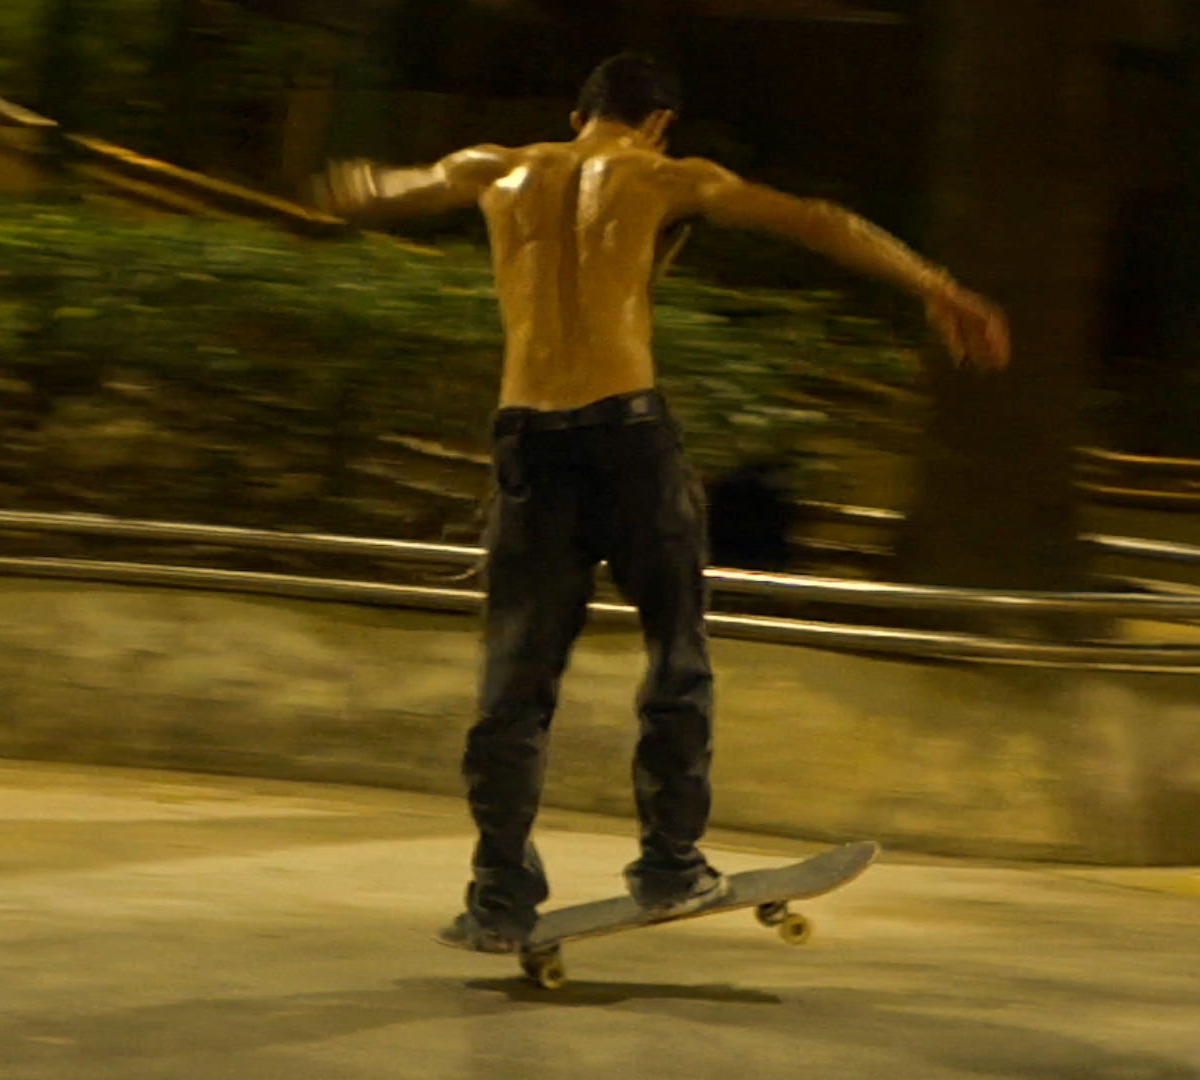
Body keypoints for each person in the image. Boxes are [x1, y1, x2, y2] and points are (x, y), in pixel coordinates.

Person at [315, 52, 1009, 954]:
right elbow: (820, 222)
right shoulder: (665, 175)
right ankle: (672, 862)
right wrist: (938, 288)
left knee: (514, 681)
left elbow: (380, 188)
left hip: (527, 436)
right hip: (626, 440)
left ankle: (497, 894)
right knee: (674, 653)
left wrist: (352, 186)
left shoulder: (496, 168)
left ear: (578, 114)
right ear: (658, 122)